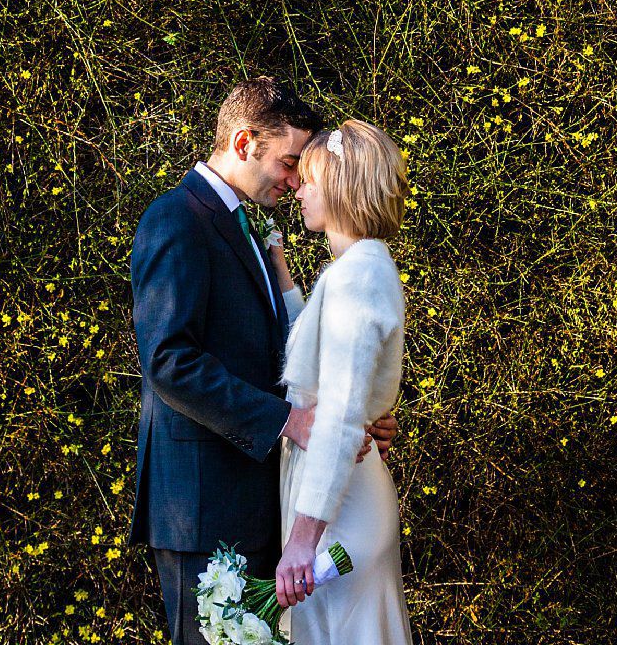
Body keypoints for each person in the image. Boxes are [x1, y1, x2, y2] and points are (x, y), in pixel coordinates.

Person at [130, 79, 399, 645]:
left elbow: (289, 349)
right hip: (200, 504)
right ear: (245, 141)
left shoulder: (248, 226)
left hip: (256, 501)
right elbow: (168, 359)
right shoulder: (176, 218)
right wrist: (291, 420)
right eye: (288, 161)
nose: (296, 178)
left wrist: (352, 411)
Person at [267, 119, 415, 644]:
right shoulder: (356, 269)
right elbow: (317, 345)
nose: (299, 191)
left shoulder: (360, 275)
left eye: (309, 179)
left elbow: (339, 411)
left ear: (341, 184)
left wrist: (303, 540)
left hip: (341, 510)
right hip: (335, 496)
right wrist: (280, 269)